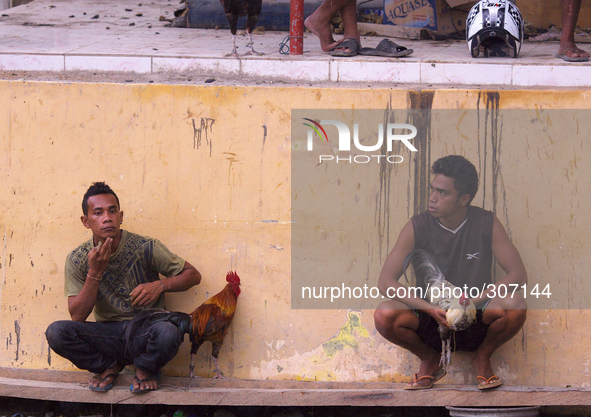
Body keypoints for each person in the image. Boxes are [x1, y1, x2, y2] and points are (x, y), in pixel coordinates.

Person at [374, 155, 527, 390]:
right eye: (432, 189)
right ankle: (429, 358)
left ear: (463, 199)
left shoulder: (486, 223)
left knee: (515, 304)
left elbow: (518, 274)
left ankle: (482, 357)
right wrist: (429, 309)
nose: (433, 198)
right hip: (431, 319)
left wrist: (469, 303)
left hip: (476, 316)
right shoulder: (417, 226)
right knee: (385, 314)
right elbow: (385, 281)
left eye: (443, 193)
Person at [46, 182, 201, 393]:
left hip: (145, 330)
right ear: (86, 221)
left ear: (121, 216)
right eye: (98, 213)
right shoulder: (77, 259)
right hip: (108, 335)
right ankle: (108, 366)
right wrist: (95, 272)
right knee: (57, 332)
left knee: (168, 332)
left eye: (112, 211)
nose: (107, 218)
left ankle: (145, 370)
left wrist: (160, 285)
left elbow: (193, 275)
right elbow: (78, 316)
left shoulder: (146, 247)